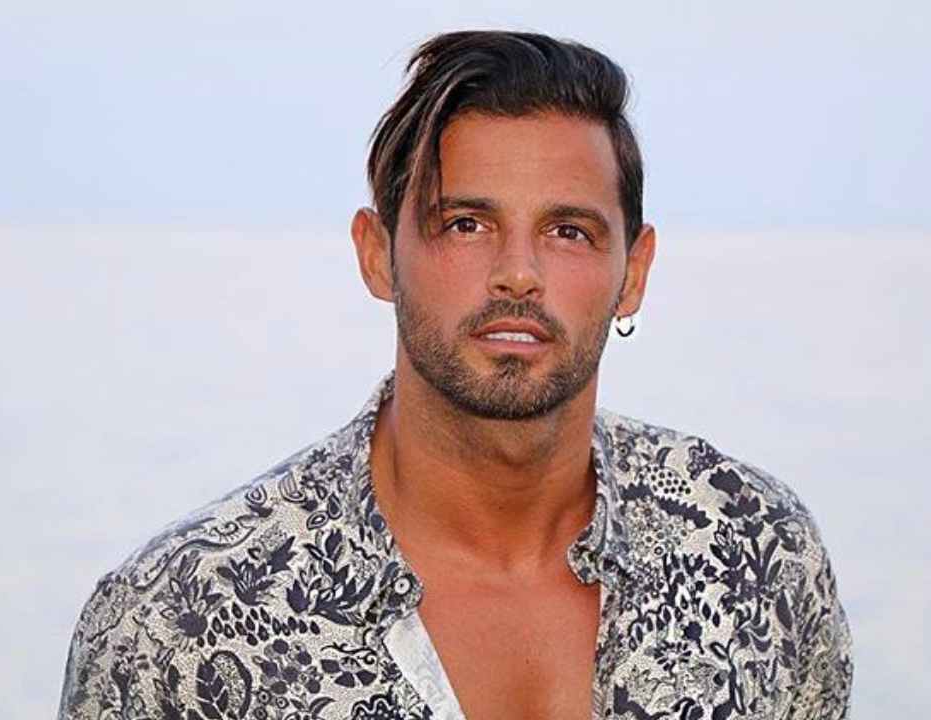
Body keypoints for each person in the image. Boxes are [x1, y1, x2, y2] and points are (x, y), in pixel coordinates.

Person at [57, 30, 853, 720]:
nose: (519, 274)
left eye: (569, 231)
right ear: (378, 254)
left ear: (633, 272)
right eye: (466, 224)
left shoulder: (755, 550)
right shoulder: (180, 622)